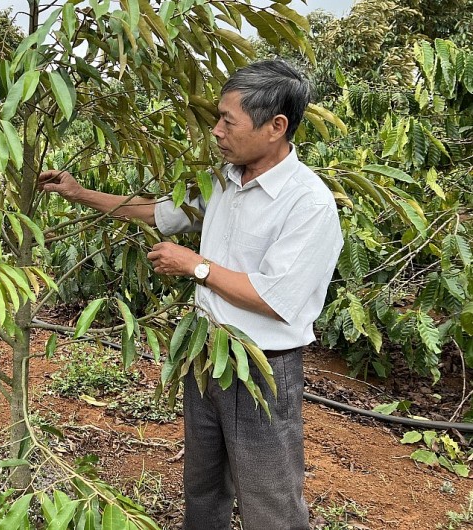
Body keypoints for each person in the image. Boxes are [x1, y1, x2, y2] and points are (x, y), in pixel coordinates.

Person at [39, 60, 343, 529]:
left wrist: (195, 266)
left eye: (228, 120)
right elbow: (165, 213)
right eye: (217, 118)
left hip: (261, 364)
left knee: (270, 499)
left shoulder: (308, 203)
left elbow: (275, 297)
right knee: (202, 486)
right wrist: (82, 194)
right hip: (205, 354)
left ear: (275, 127)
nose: (216, 131)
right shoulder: (225, 180)